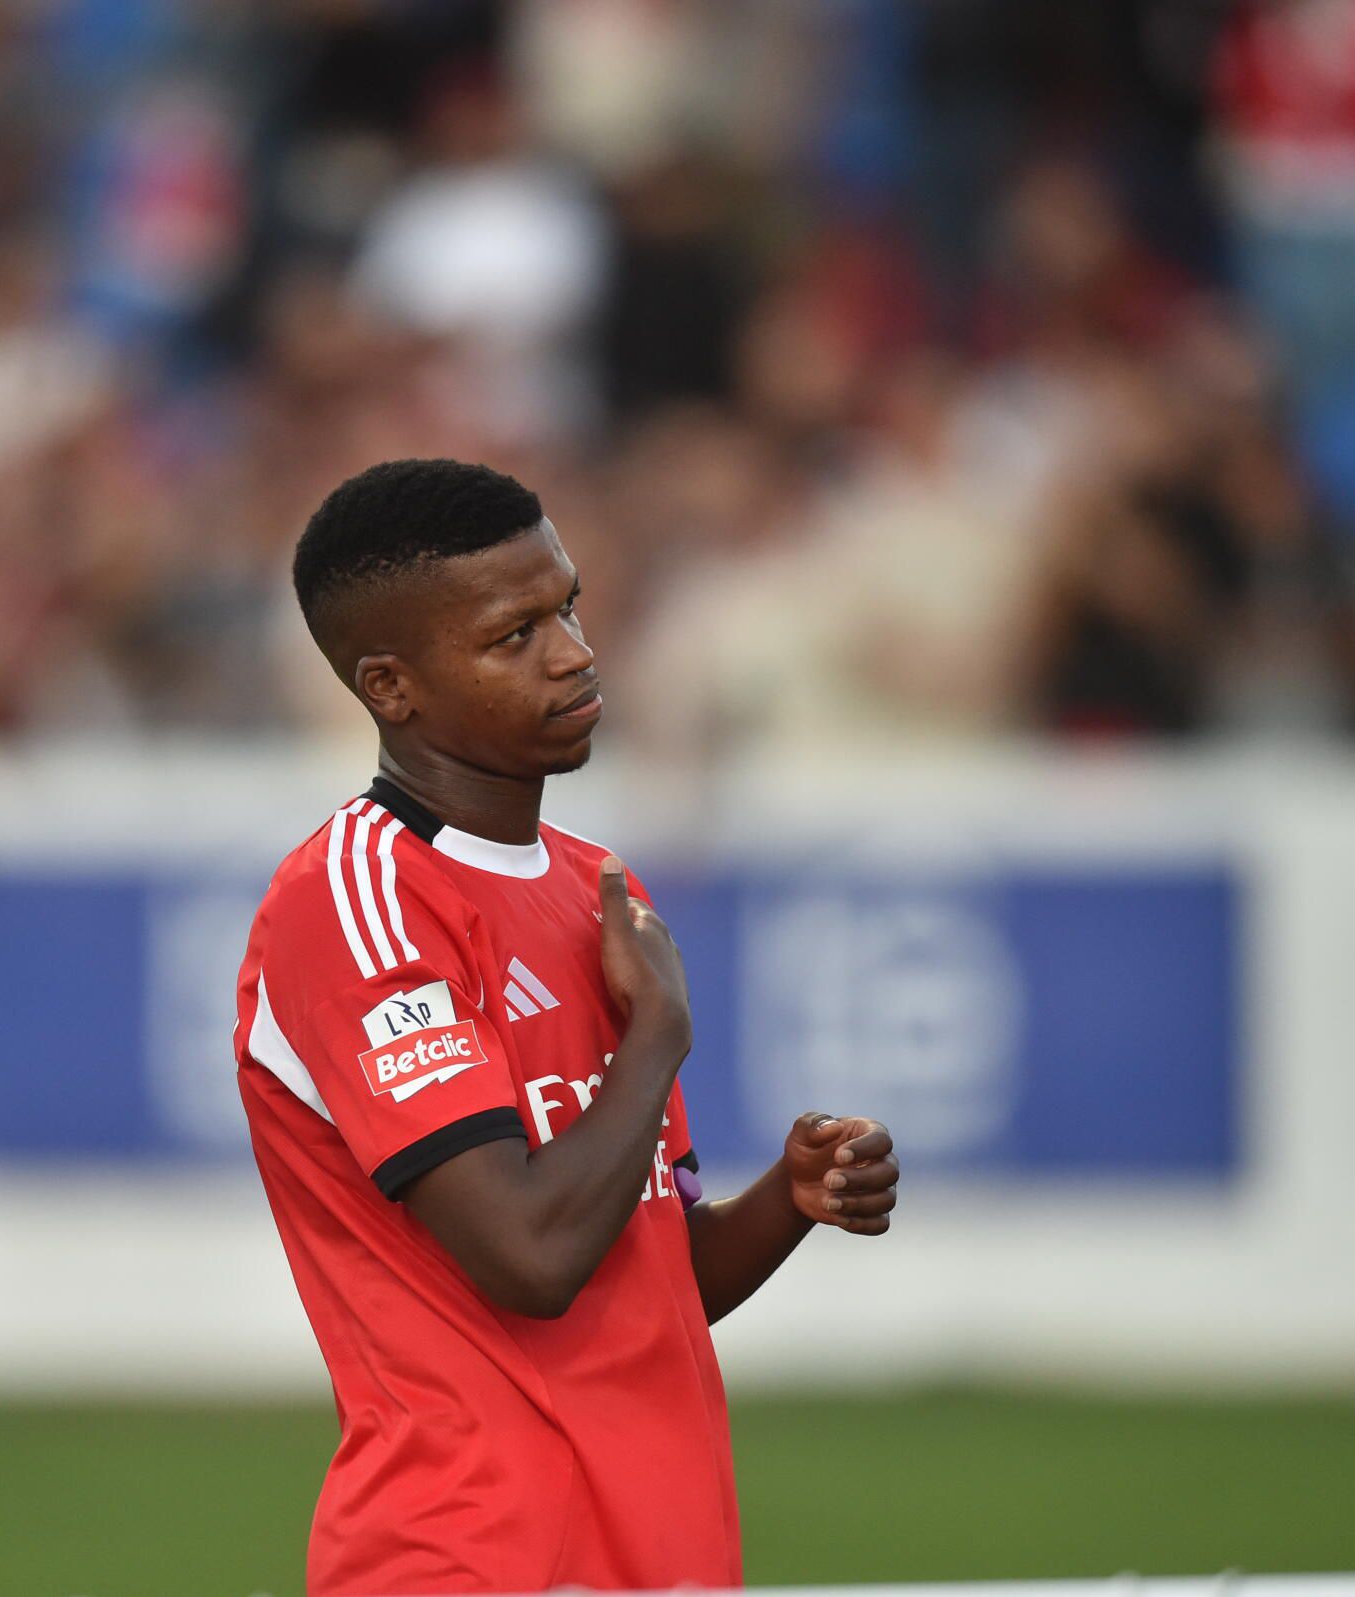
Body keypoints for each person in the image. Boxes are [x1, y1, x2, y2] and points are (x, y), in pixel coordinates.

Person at [233, 458, 900, 1595]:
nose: (575, 651)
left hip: (661, 1553)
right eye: (514, 635)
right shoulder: (355, 902)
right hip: (471, 1554)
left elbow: (644, 1272)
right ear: (390, 686)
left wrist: (787, 1204)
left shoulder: (593, 883)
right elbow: (529, 1257)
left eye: (570, 606)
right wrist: (654, 1041)